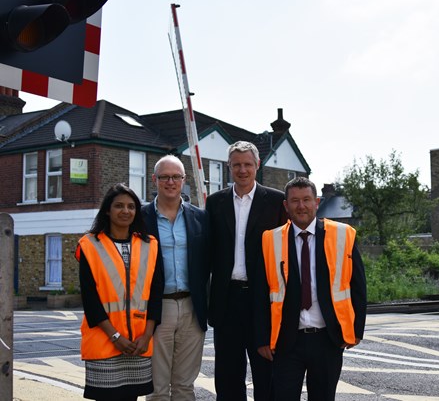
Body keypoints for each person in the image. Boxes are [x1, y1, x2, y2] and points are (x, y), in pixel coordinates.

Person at [254, 177, 367, 401]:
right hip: (286, 341)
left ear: (317, 202)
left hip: (327, 339)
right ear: (286, 206)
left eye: (306, 200)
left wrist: (355, 330)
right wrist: (261, 338)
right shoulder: (270, 240)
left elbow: (358, 287)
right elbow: (259, 293)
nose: (301, 206)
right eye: (294, 201)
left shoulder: (343, 235)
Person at [206, 140, 288, 400]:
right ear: (229, 167)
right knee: (228, 378)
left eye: (247, 164)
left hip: (262, 300)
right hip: (227, 300)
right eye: (237, 165)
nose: (242, 170)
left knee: (267, 374)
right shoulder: (214, 202)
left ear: (257, 165)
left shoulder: (276, 201)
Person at [76, 183, 164, 401]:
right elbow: (90, 299)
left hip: (138, 343)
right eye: (119, 206)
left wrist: (147, 335)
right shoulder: (90, 244)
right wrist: (115, 336)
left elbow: (155, 293)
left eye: (131, 206)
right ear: (107, 209)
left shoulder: (149, 244)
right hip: (105, 340)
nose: (126, 211)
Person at [142, 155, 211, 400]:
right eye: (164, 177)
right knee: (156, 387)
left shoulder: (200, 218)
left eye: (176, 177)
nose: (170, 182)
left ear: (184, 180)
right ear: (154, 180)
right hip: (157, 308)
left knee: (184, 386)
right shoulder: (140, 218)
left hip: (193, 307)